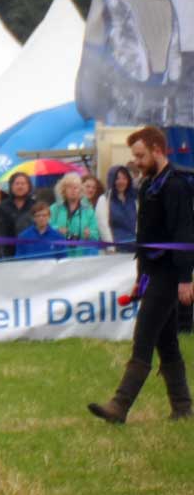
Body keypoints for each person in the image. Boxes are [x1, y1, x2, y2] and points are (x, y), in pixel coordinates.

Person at [89, 126, 193, 424]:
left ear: (158, 150)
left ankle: (120, 406)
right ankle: (183, 407)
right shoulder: (147, 186)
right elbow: (144, 238)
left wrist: (186, 277)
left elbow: (184, 233)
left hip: (171, 274)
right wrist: (140, 278)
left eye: (140, 155)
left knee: (144, 335)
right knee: (167, 340)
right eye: (134, 156)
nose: (135, 161)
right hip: (152, 272)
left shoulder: (176, 186)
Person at [49, 172, 100, 258]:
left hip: (82, 257)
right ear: (63, 190)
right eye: (69, 187)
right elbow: (46, 227)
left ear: (80, 190)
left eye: (76, 187)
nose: (73, 190)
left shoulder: (88, 210)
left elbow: (96, 234)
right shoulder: (55, 209)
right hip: (59, 256)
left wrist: (89, 234)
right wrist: (57, 229)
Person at [98, 165, 138, 249]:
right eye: (118, 178)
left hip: (134, 247)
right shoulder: (104, 200)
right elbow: (103, 226)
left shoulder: (134, 199)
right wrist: (111, 248)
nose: (121, 181)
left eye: (124, 178)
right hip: (115, 249)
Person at [0, 172, 37, 236]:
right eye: (17, 184)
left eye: (23, 184)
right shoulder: (2, 206)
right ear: (11, 186)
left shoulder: (35, 206)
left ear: (29, 186)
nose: (20, 186)